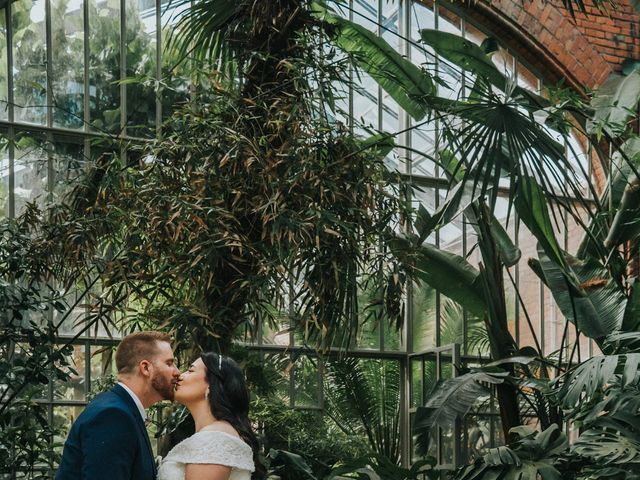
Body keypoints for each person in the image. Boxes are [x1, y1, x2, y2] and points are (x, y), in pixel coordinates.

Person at [56, 331, 181, 480]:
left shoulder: (122, 409)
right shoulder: (113, 415)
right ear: (145, 368)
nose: (177, 372)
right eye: (169, 363)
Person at [157, 352, 263, 480]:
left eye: (190, 370)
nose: (180, 375)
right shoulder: (215, 433)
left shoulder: (215, 438)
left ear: (211, 385)